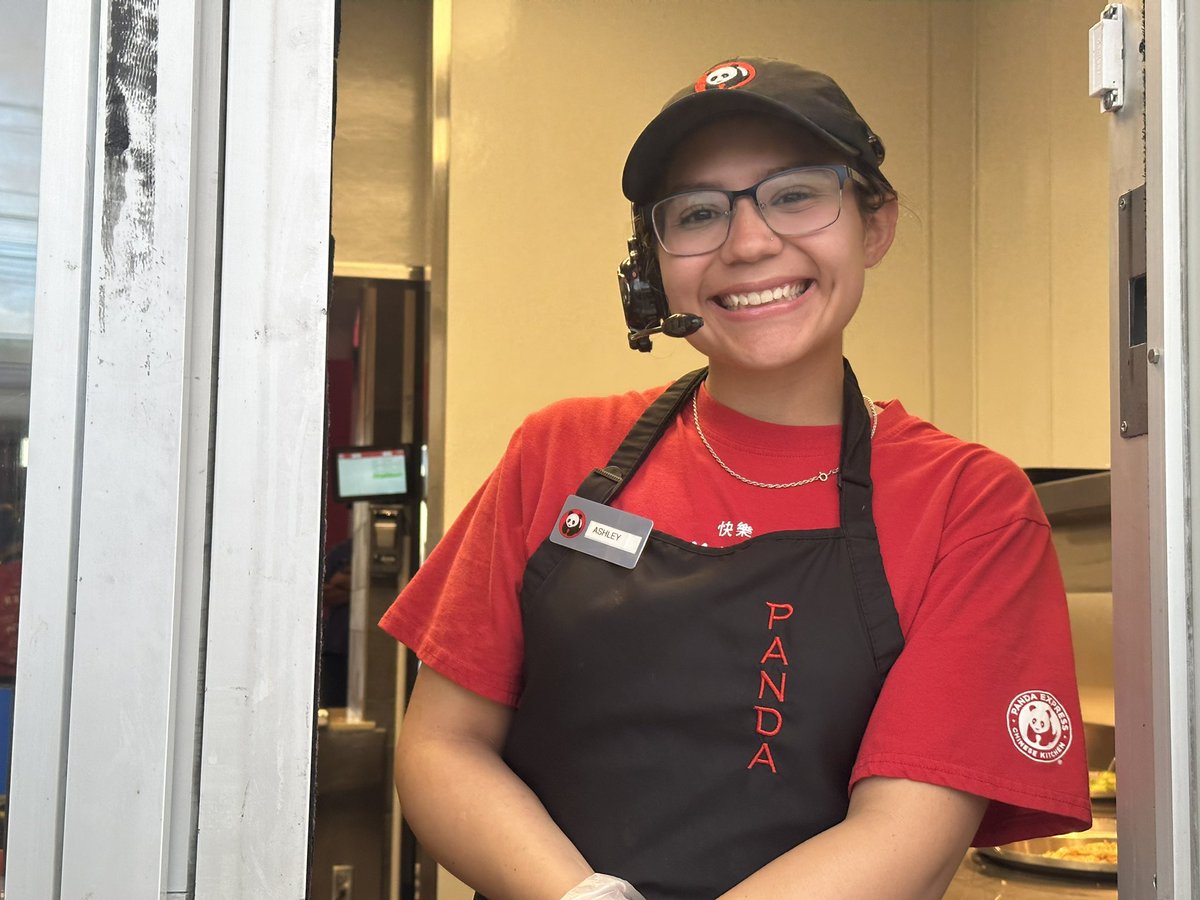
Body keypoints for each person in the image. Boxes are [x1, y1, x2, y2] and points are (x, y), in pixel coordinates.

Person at [381, 57, 1091, 900]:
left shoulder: (969, 505)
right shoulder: (558, 451)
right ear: (653, 265)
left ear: (875, 225)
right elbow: (441, 745)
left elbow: (907, 831)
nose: (749, 243)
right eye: (699, 213)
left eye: (796, 195)